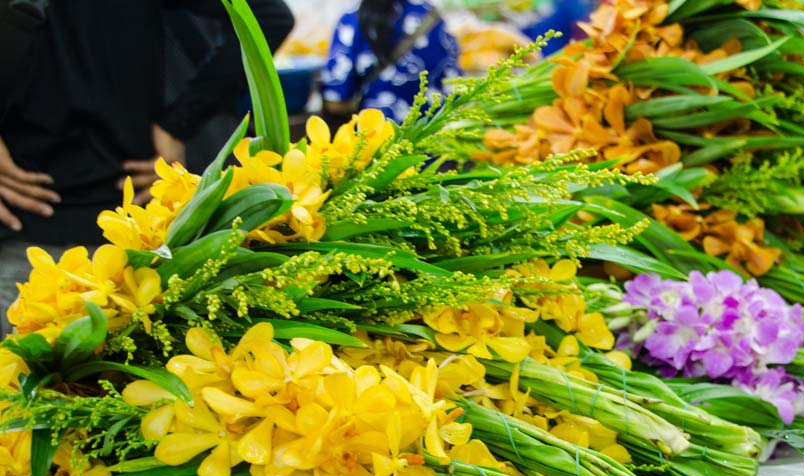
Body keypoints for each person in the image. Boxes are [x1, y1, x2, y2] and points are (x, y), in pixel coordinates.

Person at [0, 0, 293, 331]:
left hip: (33, 231)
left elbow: (269, 15)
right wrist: (179, 123)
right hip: (133, 233)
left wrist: (179, 123)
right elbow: (268, 15)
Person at [321, 0, 461, 124]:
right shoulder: (433, 17)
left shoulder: (352, 21)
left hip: (379, 138)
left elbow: (336, 98)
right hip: (436, 135)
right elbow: (453, 79)